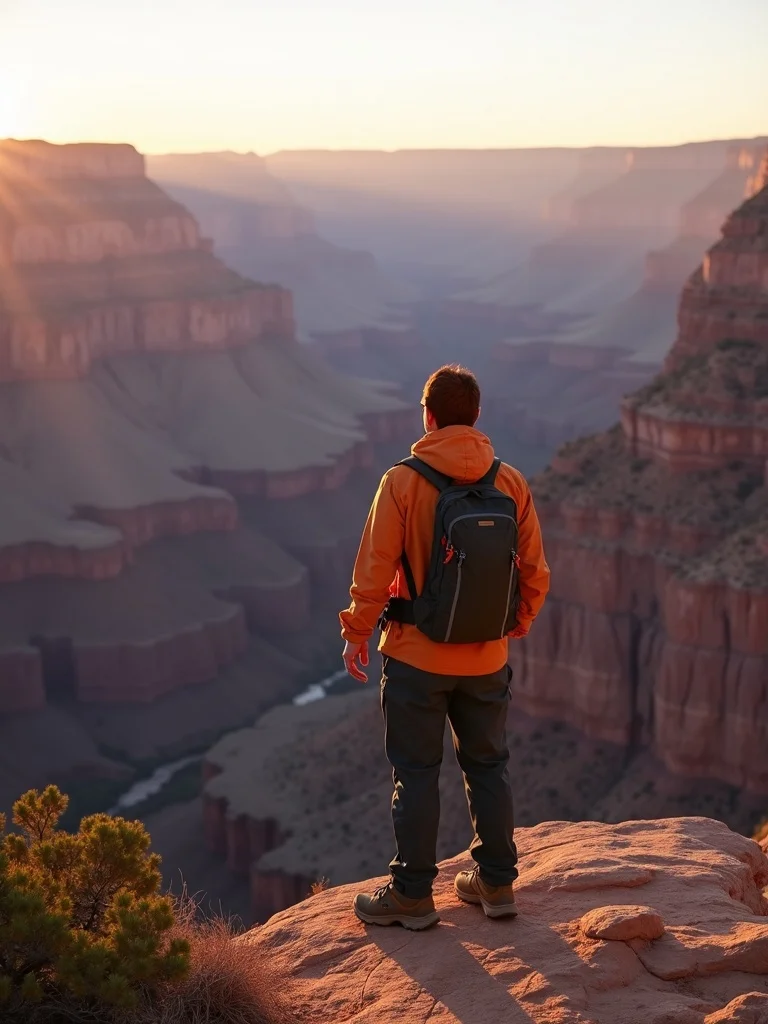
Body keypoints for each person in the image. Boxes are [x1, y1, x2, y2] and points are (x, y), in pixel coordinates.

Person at [339, 364, 550, 930]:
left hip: (414, 654)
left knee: (416, 773)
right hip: (487, 656)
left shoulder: (402, 482)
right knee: (489, 765)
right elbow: (535, 572)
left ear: (427, 416)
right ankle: (498, 884)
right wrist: (516, 622)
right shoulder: (510, 482)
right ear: (476, 417)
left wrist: (357, 632)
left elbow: (374, 568)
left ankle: (412, 894)